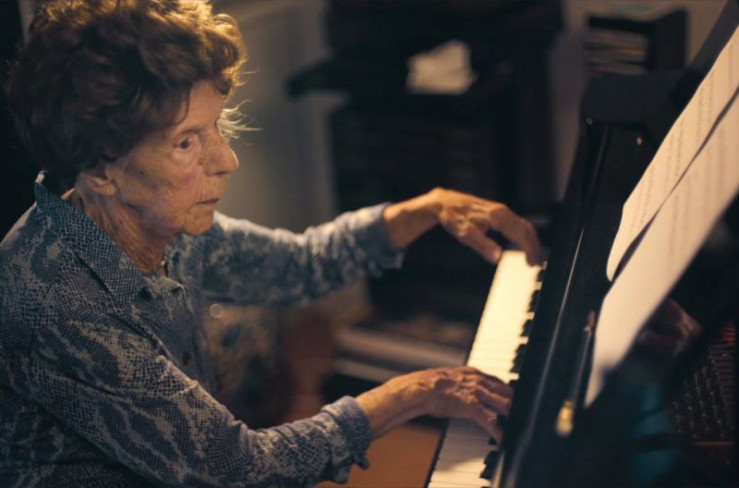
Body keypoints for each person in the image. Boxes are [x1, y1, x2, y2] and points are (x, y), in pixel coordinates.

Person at [0, 0, 543, 486]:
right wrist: (415, 392)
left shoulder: (157, 222)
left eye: (217, 127)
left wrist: (425, 209)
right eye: (186, 142)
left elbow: (298, 264)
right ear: (100, 170)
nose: (227, 160)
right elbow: (240, 469)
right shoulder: (56, 303)